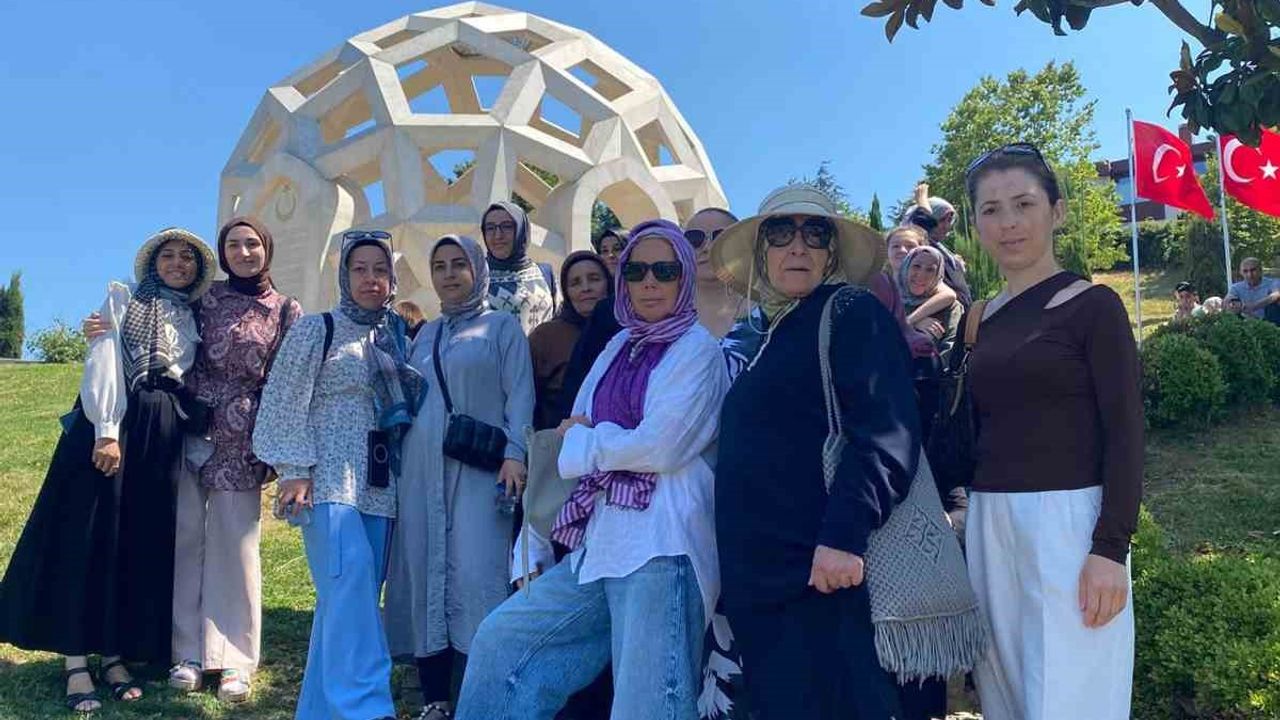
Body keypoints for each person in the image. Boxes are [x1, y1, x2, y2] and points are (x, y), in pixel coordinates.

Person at [455, 219, 729, 720]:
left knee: (646, 706)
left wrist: (586, 440)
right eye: (636, 271)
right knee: (502, 644)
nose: (649, 282)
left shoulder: (699, 351)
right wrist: (536, 536)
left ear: (684, 277)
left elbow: (660, 447)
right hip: (599, 543)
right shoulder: (617, 347)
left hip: (663, 548)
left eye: (665, 271)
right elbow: (569, 433)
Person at [710, 184, 934, 720]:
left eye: (814, 233)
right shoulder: (775, 332)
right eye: (780, 233)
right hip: (769, 587)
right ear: (762, 250)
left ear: (831, 252)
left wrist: (843, 536)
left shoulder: (851, 310)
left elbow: (886, 430)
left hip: (822, 577)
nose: (797, 246)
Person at [0, 228, 215, 712]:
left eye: (187, 258)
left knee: (132, 541)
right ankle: (76, 660)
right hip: (116, 423)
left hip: (161, 434)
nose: (177, 263)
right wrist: (107, 430)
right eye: (168, 255)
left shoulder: (192, 316)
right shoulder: (123, 300)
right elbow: (103, 358)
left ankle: (114, 655)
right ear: (153, 263)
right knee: (90, 536)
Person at [962, 143, 1142, 719]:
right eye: (991, 210)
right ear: (976, 225)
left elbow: (1126, 432)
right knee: (1007, 698)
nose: (1008, 223)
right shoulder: (978, 319)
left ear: (1056, 211)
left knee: (1073, 698)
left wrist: (1110, 548)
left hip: (1070, 524)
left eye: (1024, 204)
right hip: (989, 523)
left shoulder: (1094, 307)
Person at [253, 230, 420, 720]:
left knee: (349, 603)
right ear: (344, 276)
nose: (371, 279)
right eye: (360, 269)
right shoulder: (317, 329)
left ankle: (320, 712)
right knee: (349, 591)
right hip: (328, 481)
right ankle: (367, 709)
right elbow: (283, 399)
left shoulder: (395, 336)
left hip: (381, 485)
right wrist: (294, 469)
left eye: (381, 270)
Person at [383, 234, 535, 720]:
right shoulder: (426, 334)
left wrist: (515, 454)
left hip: (479, 471)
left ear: (477, 270)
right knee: (428, 571)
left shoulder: (502, 327)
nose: (449, 274)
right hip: (422, 472)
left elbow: (520, 396)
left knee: (477, 571)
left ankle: (479, 690)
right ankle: (435, 696)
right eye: (440, 266)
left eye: (458, 264)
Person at [529, 251, 612, 431]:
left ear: (608, 284)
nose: (585, 288)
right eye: (575, 283)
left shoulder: (625, 334)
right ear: (566, 292)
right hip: (558, 438)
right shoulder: (546, 336)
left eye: (594, 279)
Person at [482, 201, 557, 334]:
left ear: (521, 230)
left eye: (506, 226)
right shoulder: (475, 278)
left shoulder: (545, 273)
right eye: (490, 228)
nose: (498, 235)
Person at [903, 186, 972, 308]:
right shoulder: (917, 246)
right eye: (941, 220)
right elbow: (922, 224)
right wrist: (922, 201)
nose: (946, 226)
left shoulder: (942, 251)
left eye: (949, 220)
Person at [685, 207, 746, 338]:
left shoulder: (769, 311)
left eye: (720, 237)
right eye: (694, 239)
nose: (707, 248)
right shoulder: (662, 314)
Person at [899, 245, 962, 360]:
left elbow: (951, 349)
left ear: (938, 274)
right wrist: (912, 325)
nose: (921, 275)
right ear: (906, 267)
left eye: (930, 270)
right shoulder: (889, 301)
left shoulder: (950, 307)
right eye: (916, 266)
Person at [1228, 257, 1280, 321]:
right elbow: (1229, 299)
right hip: (1246, 321)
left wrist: (1254, 306)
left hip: (1271, 321)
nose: (1250, 275)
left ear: (1260, 270)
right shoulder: (1236, 287)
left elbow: (1276, 294)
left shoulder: (1273, 282)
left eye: (1253, 270)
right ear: (1241, 273)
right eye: (1245, 271)